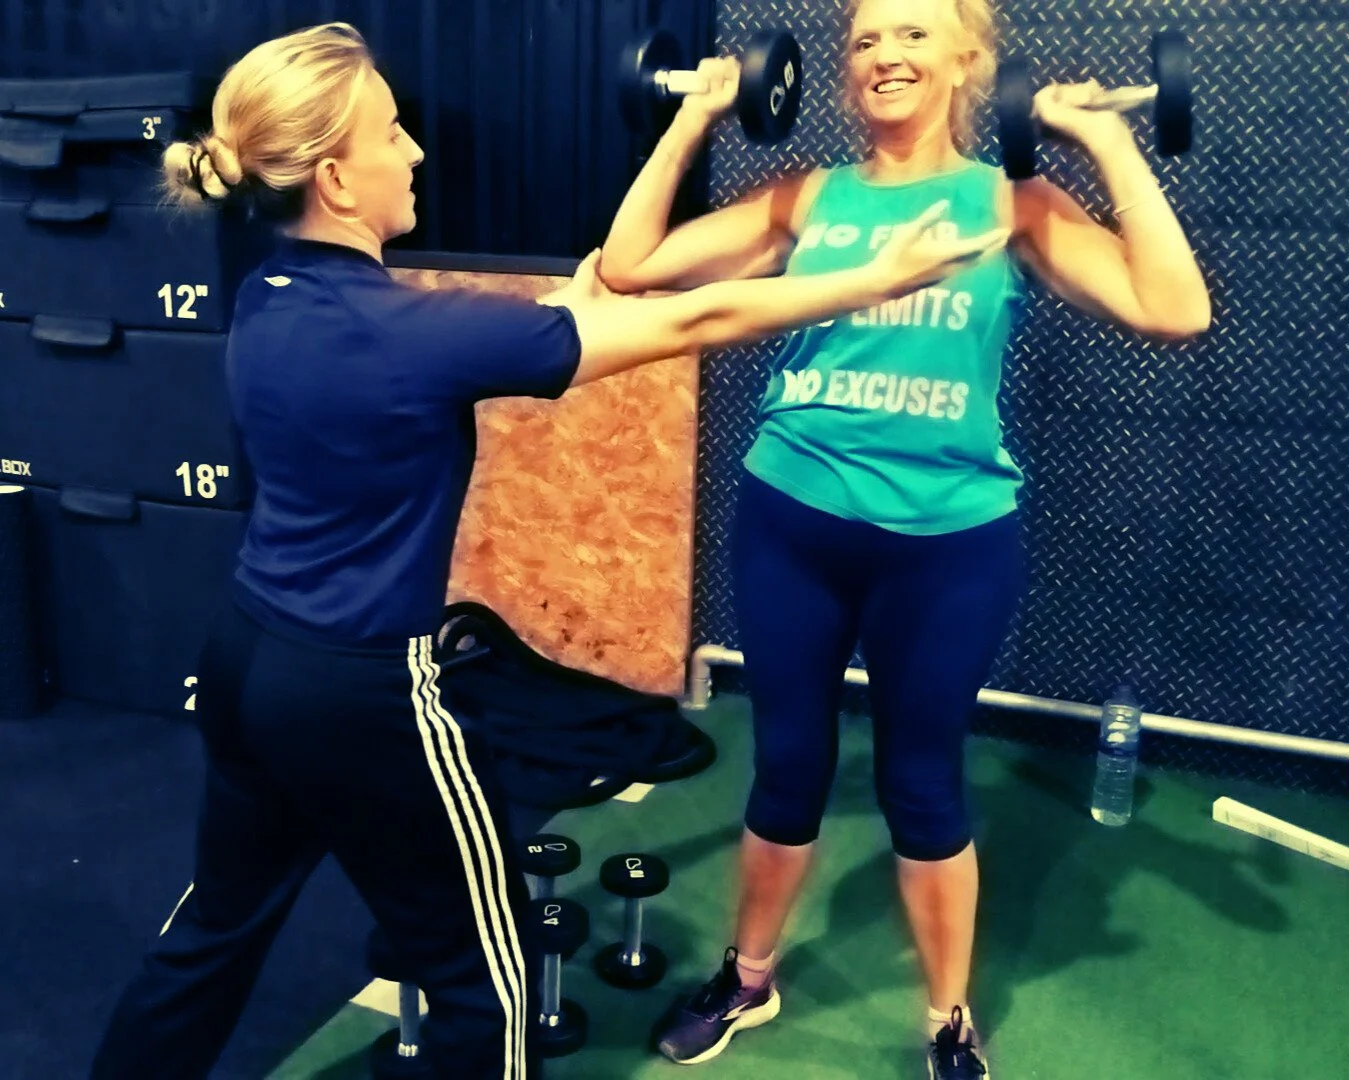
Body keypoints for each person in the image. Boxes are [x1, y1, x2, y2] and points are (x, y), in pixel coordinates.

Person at [86, 20, 1015, 1080]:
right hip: (363, 695)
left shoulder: (267, 294)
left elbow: (474, 347)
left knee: (213, 934)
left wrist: (566, 314)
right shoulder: (413, 331)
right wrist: (865, 281)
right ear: (339, 180)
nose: (417, 153)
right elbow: (688, 319)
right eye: (396, 134)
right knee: (488, 980)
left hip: (250, 656)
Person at [598, 0, 1211, 1077]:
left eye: (914, 33)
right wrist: (691, 118)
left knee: (922, 784)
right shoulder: (806, 197)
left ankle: (944, 1020)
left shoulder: (1011, 201)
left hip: (946, 545)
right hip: (792, 520)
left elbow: (1173, 309)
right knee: (785, 766)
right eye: (867, 39)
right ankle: (747, 980)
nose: (885, 53)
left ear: (967, 59)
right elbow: (628, 266)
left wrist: (1110, 141)